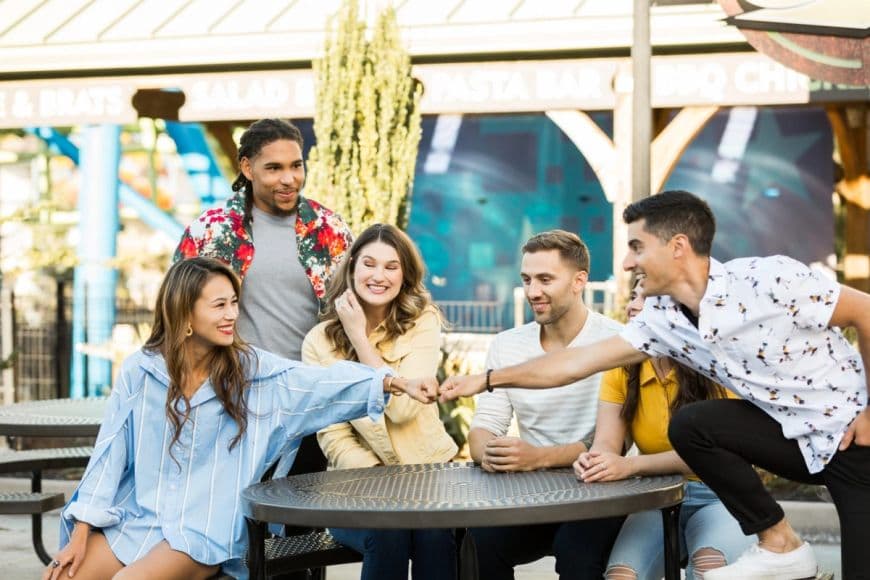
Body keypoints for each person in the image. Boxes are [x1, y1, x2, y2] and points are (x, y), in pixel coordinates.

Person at [440, 190, 870, 580]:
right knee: (693, 424)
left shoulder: (768, 280)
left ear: (677, 247)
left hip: (856, 442)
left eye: (636, 247)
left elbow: (865, 312)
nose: (627, 262)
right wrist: (487, 379)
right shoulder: (664, 321)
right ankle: (780, 544)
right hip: (795, 441)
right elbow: (571, 365)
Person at [45, 257, 436, 580]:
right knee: (59, 577)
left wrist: (392, 383)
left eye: (234, 302)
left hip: (203, 529)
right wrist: (81, 532)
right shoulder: (140, 371)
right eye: (219, 305)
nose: (233, 314)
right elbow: (109, 455)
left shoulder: (254, 374)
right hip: (138, 518)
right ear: (185, 314)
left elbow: (321, 384)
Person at [174, 118, 353, 477]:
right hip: (231, 398)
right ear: (247, 167)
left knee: (301, 515)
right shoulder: (210, 232)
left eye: (295, 166)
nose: (288, 178)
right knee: (232, 516)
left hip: (308, 398)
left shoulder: (329, 230)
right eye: (273, 168)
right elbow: (177, 317)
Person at [302, 223, 458, 580]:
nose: (379, 276)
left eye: (391, 267)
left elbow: (403, 409)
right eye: (369, 264)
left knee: (434, 536)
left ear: (405, 276)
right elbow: (332, 432)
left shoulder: (423, 322)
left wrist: (360, 338)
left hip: (428, 475)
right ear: (353, 265)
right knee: (388, 533)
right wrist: (379, 482)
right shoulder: (319, 342)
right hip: (357, 485)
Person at [466, 230, 625, 579]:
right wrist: (489, 452)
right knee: (475, 543)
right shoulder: (506, 344)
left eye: (545, 279)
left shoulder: (616, 342)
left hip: (600, 492)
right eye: (526, 279)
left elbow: (615, 444)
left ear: (579, 280)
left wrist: (540, 457)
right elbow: (484, 426)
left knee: (577, 556)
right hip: (532, 494)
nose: (532, 291)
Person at [577, 275, 752, 580]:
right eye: (633, 296)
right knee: (621, 576)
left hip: (722, 495)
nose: (632, 307)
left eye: (645, 298)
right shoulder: (622, 367)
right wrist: (597, 461)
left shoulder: (717, 362)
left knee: (710, 568)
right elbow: (607, 441)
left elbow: (712, 454)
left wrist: (628, 465)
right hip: (655, 497)